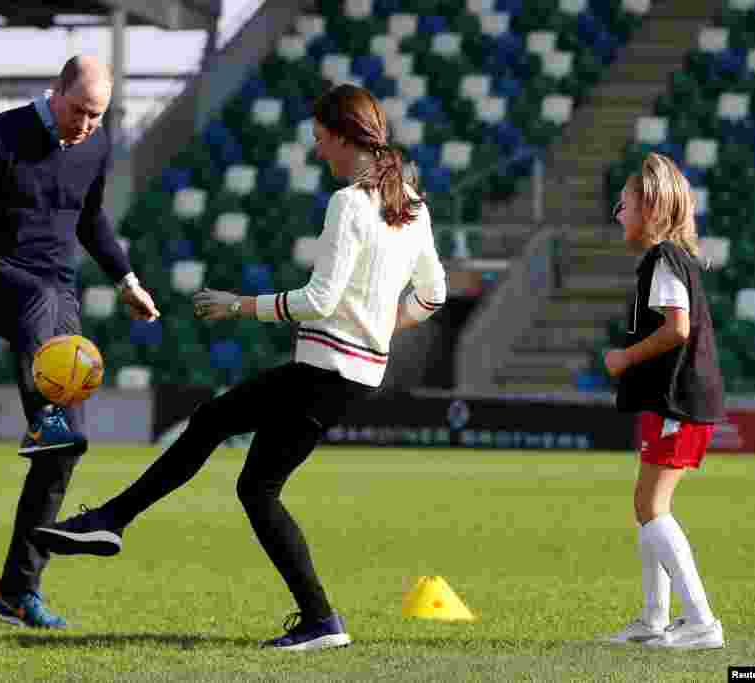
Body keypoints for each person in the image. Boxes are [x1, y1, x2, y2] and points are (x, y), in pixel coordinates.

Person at [34, 84, 448, 650]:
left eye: (319, 140)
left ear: (338, 135)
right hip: (352, 377)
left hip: (325, 370)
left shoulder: (349, 203)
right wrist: (382, 328)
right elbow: (433, 295)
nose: (318, 151)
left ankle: (111, 519)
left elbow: (320, 300)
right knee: (255, 484)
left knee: (212, 424)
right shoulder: (413, 205)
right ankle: (320, 621)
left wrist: (239, 306)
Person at [0, 55, 160, 629]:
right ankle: (42, 415)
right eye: (79, 112)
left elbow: (91, 219)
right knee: (39, 306)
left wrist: (127, 281)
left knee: (65, 450)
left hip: (57, 295)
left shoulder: (96, 147)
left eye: (97, 117)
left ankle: (15, 589)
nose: (86, 125)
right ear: (56, 92)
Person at [602, 152, 725, 650]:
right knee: (647, 505)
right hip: (672, 401)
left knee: (652, 506)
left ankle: (701, 622)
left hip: (679, 401)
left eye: (625, 203)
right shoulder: (669, 259)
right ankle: (654, 619)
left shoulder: (663, 259)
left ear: (651, 205)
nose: (618, 213)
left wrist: (625, 358)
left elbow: (678, 329)